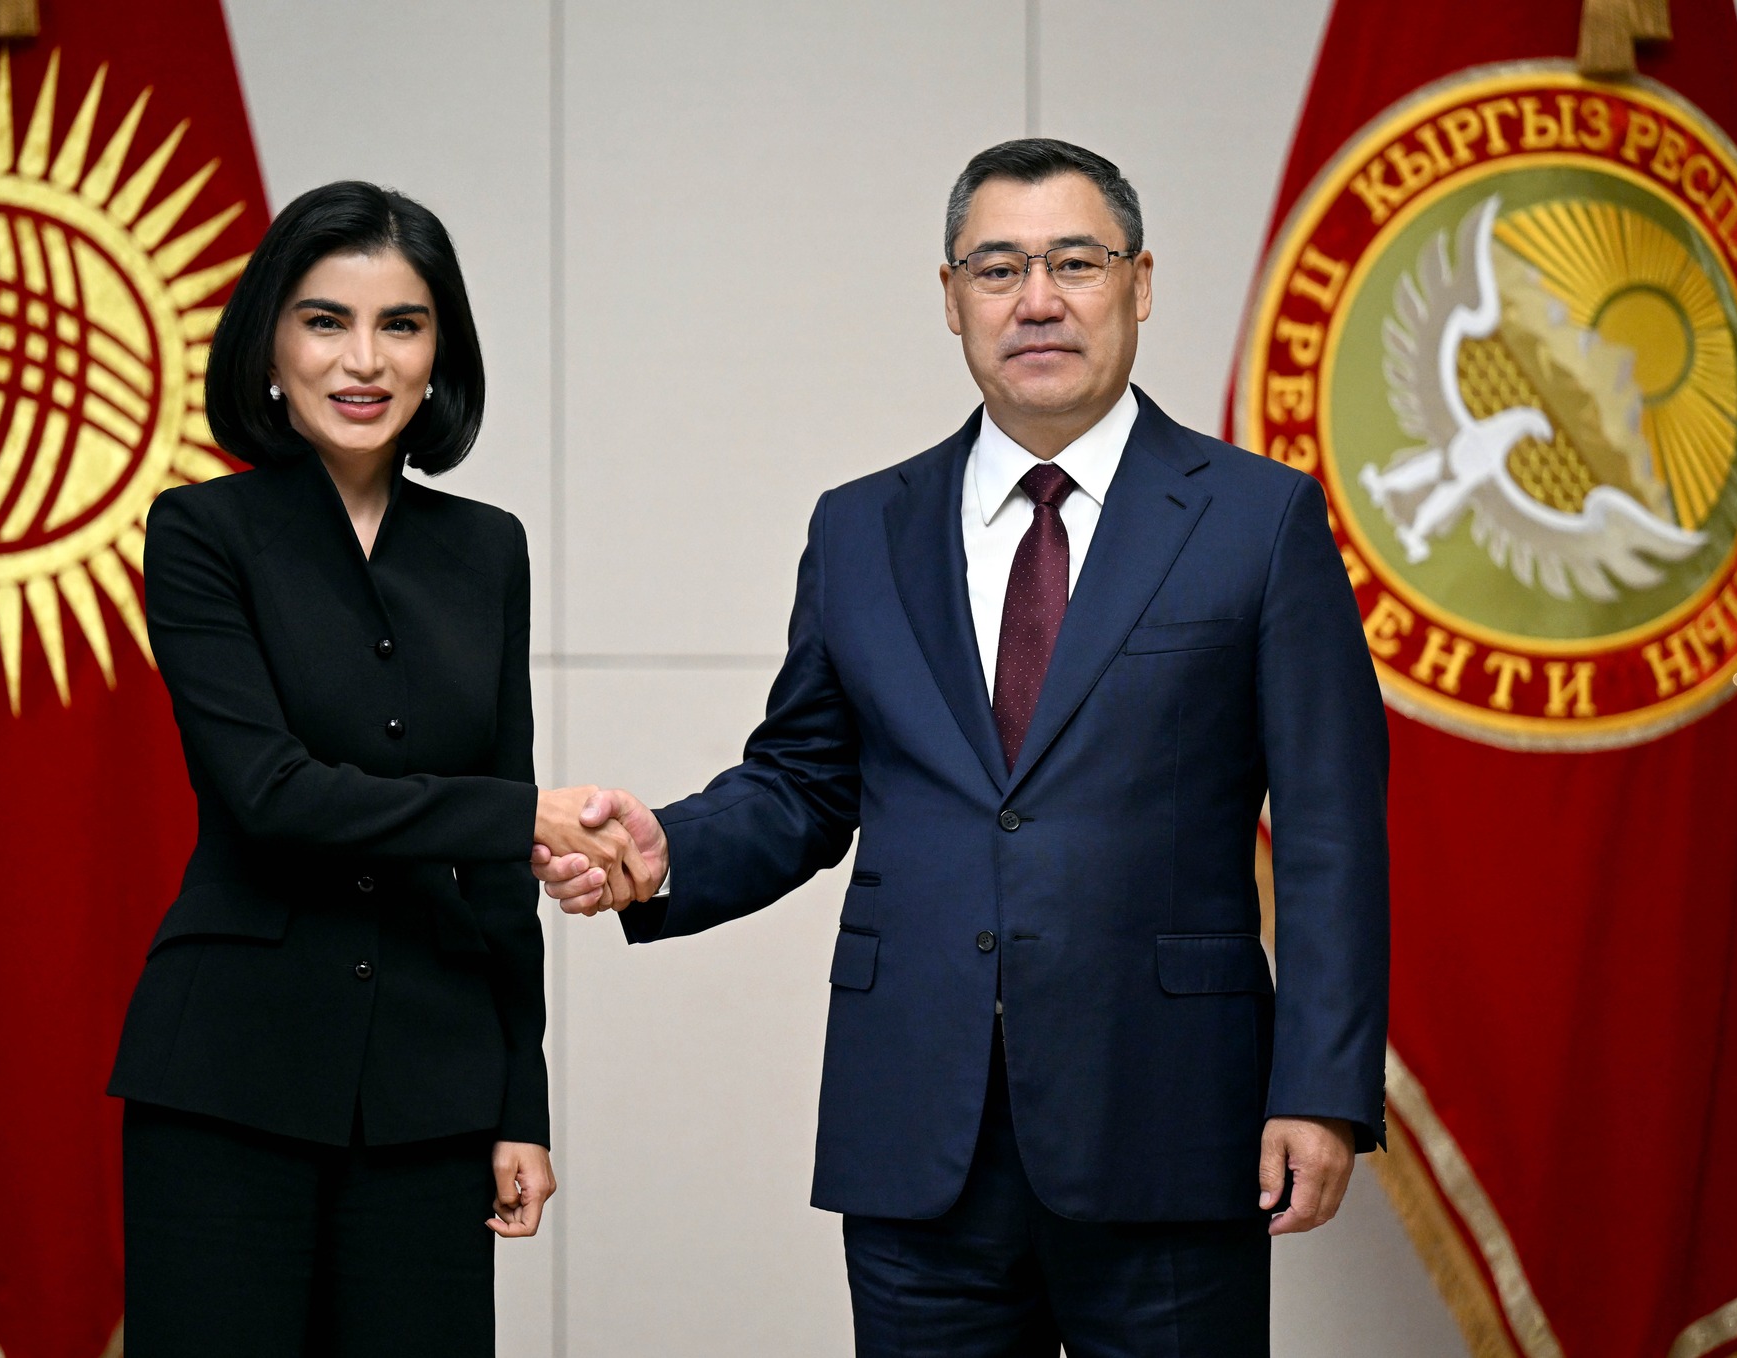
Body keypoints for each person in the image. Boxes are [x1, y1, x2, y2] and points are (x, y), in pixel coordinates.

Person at [533, 139, 1390, 1354]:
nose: (1036, 299)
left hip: (1167, 1117)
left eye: (1074, 262)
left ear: (1139, 282)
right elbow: (802, 782)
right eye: (997, 268)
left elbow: (1328, 833)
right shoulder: (859, 526)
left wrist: (1320, 1088)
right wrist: (668, 847)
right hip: (915, 1127)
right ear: (950, 297)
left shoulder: (1257, 519)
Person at [108, 181, 653, 1357]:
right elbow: (270, 794)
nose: (363, 359)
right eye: (324, 321)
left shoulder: (486, 548)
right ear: (268, 345)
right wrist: (518, 814)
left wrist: (519, 1101)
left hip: (430, 1088)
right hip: (227, 1077)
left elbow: (498, 876)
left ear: (436, 351)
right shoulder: (198, 532)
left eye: (400, 324)